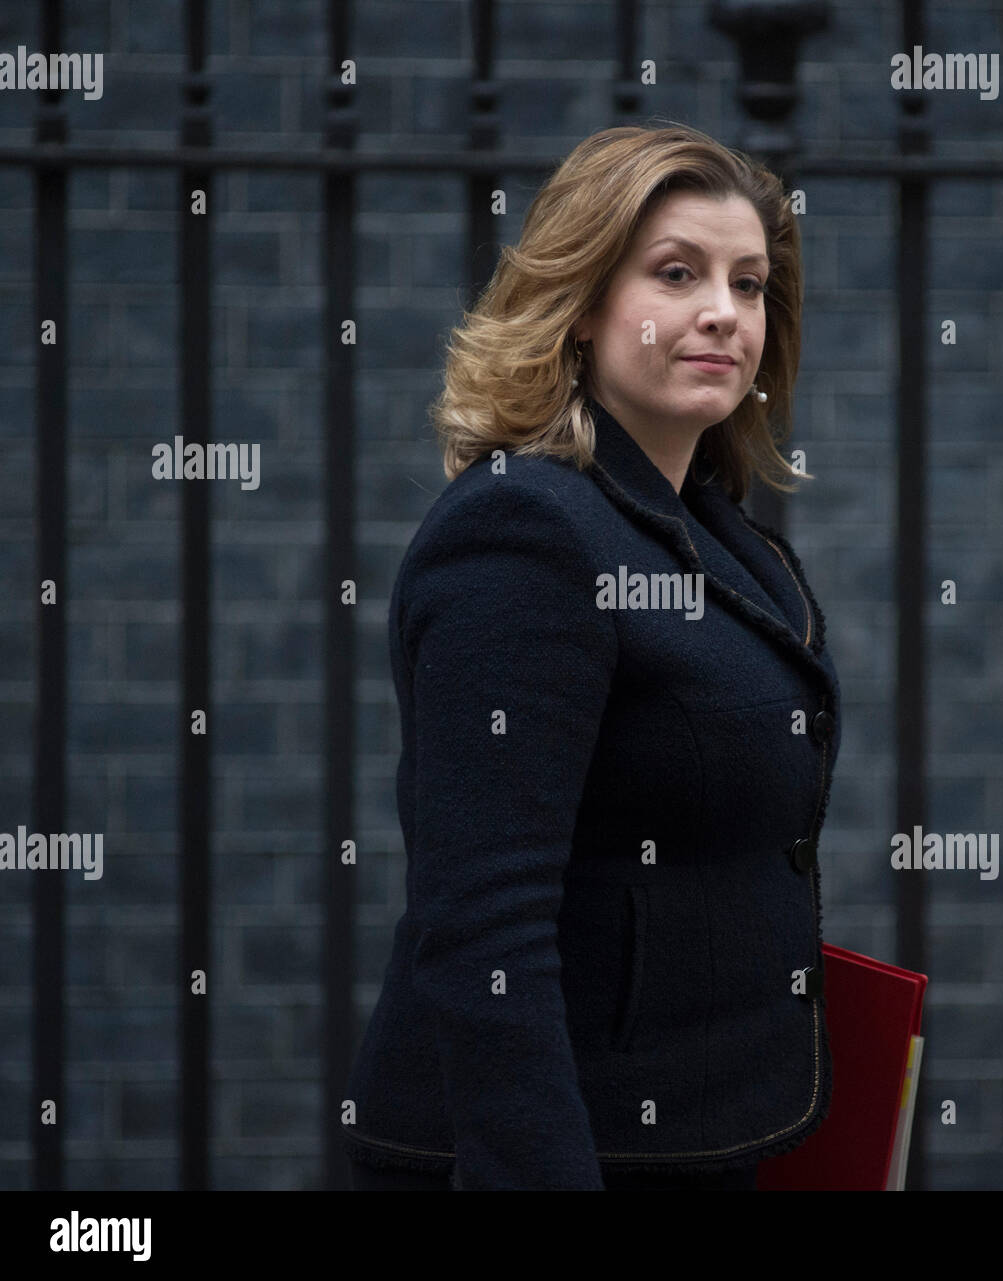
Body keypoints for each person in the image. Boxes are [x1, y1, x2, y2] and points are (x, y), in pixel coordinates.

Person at [341, 121, 842, 1191]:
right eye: (675, 273)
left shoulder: (712, 533)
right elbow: (483, 926)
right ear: (579, 306)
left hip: (701, 1134)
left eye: (748, 284)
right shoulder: (522, 535)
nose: (722, 310)